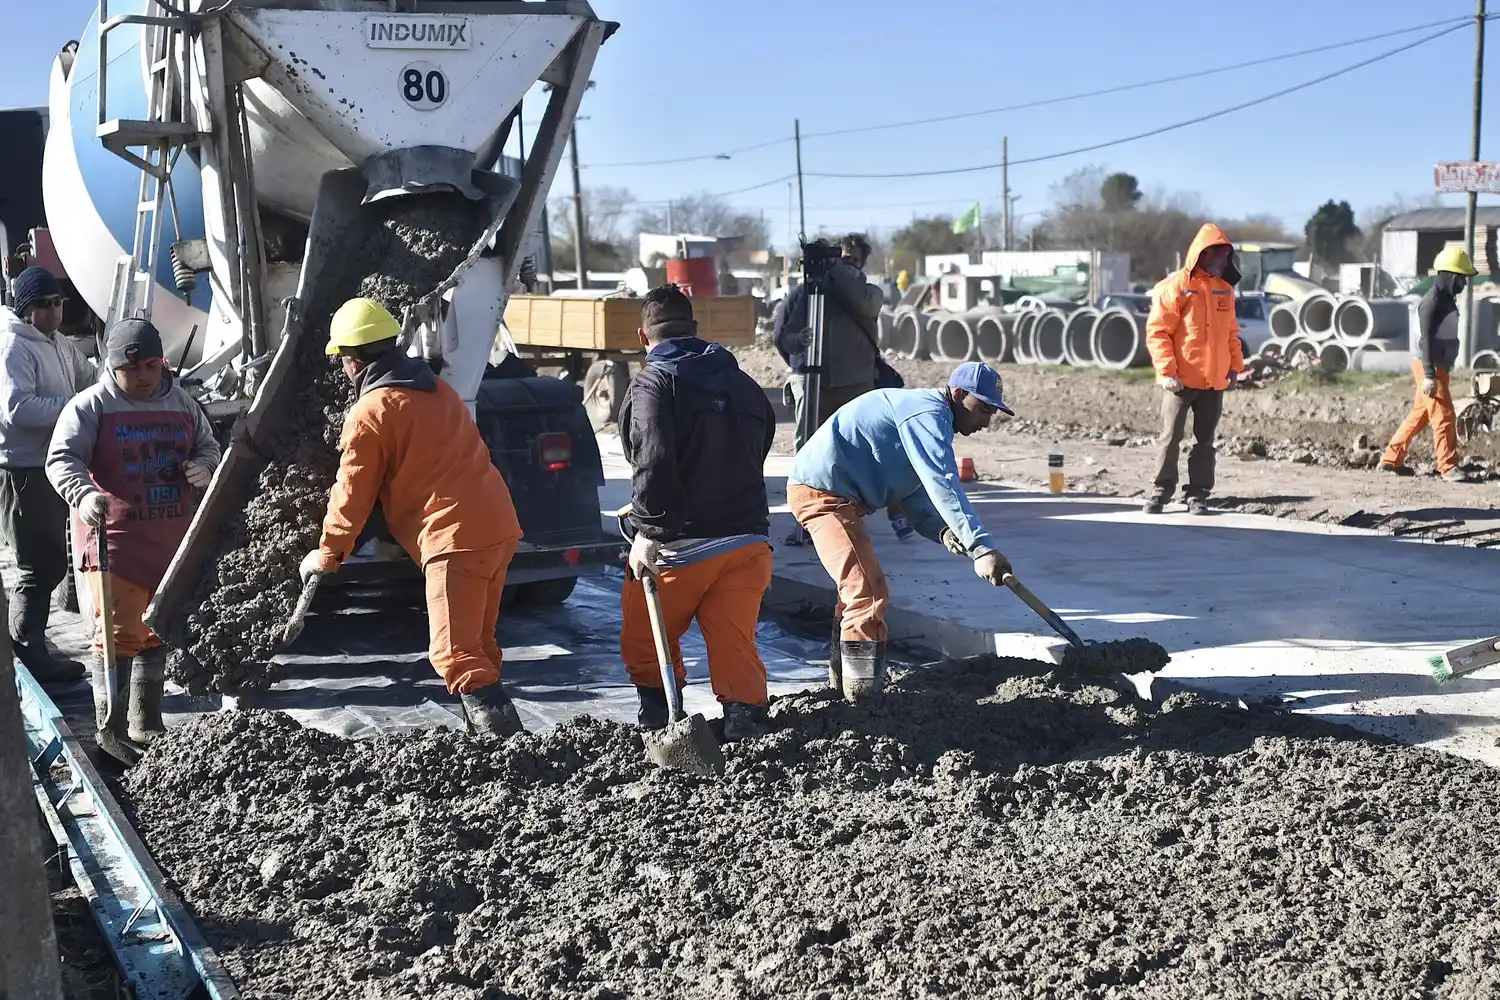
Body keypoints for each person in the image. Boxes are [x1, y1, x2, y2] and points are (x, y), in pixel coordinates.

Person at [299, 297, 526, 737]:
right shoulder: (436, 389)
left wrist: (328, 553)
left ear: (351, 360)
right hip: (496, 527)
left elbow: (352, 492)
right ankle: (487, 745)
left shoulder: (371, 412)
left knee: (455, 655)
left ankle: (513, 755)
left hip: (453, 537)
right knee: (479, 646)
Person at [787, 362, 1015, 703]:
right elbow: (943, 482)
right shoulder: (926, 414)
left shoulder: (927, 419)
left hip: (838, 498)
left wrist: (942, 531)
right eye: (982, 408)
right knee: (867, 592)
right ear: (957, 394)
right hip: (823, 495)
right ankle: (863, 704)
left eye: (992, 412)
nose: (986, 420)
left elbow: (915, 492)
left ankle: (843, 686)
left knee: (855, 592)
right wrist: (981, 547)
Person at [46, 318, 220, 764]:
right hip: (115, 543)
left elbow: (208, 446)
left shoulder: (183, 404)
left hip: (169, 541)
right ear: (111, 366)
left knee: (158, 629)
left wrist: (204, 466)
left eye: (150, 366)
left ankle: (147, 719)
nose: (142, 377)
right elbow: (62, 458)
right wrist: (83, 495)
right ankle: (112, 725)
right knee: (117, 636)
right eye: (131, 369)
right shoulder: (92, 407)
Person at [618, 284, 776, 741]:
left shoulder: (653, 381)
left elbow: (651, 456)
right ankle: (746, 723)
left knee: (646, 640)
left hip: (681, 547)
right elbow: (757, 448)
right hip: (748, 543)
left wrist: (648, 531)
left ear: (643, 338)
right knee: (734, 643)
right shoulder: (742, 383)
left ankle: (660, 723)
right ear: (696, 329)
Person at [775, 234, 914, 544]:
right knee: (812, 453)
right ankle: (811, 520)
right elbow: (782, 334)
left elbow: (862, 301)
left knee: (876, 447)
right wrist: (799, 345)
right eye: (841, 258)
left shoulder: (868, 293)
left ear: (862, 262)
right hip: (816, 382)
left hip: (857, 381)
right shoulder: (808, 294)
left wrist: (837, 271)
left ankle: (899, 511)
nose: (845, 264)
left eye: (851, 259)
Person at [0, 265, 97, 684]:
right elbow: (17, 409)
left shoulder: (57, 342)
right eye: (45, 305)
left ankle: (29, 649)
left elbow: (88, 378)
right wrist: (74, 407)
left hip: (50, 465)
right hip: (23, 470)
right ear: (27, 310)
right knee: (36, 566)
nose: (55, 311)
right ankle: (27, 654)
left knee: (49, 561)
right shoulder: (14, 348)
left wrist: (118, 382)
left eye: (58, 303)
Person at [1142, 223, 1247, 516]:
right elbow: (1158, 332)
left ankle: (1198, 494)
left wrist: (1235, 367)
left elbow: (1230, 333)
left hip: (1213, 381)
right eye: (1219, 256)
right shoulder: (1174, 287)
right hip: (1179, 381)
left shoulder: (1224, 290)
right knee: (1171, 436)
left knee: (1205, 442)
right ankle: (1160, 492)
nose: (1224, 262)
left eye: (1227, 257)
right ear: (1203, 255)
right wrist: (1166, 372)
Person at [1380, 247, 1475, 482]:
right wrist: (1430, 376)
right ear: (1449, 277)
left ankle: (1390, 459)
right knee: (1444, 414)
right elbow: (1426, 340)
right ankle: (1448, 466)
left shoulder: (1445, 299)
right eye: (1461, 278)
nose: (1464, 283)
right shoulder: (1431, 303)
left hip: (1436, 365)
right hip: (1429, 365)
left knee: (1420, 414)